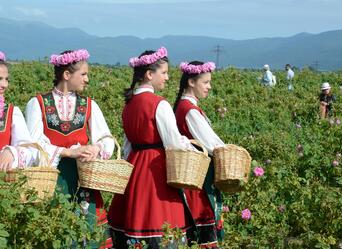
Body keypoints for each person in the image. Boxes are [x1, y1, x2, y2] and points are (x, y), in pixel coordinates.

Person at [25, 49, 115, 248]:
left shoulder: (89, 105)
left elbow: (107, 139)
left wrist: (96, 148)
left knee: (87, 231)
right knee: (54, 232)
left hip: (84, 177)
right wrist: (67, 152)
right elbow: (33, 144)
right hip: (51, 180)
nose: (87, 79)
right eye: (83, 74)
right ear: (67, 75)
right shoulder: (38, 103)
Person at [108, 47, 194, 249]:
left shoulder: (129, 104)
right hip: (156, 171)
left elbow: (127, 145)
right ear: (149, 74)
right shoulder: (159, 104)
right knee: (160, 222)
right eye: (163, 73)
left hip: (134, 169)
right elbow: (173, 143)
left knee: (135, 219)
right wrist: (190, 146)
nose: (167, 77)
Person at [173, 61, 225, 248]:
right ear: (191, 82)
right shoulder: (189, 110)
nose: (209, 87)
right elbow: (212, 144)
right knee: (202, 226)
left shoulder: (183, 106)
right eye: (206, 82)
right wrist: (228, 150)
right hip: (199, 180)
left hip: (193, 176)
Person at [0, 51, 40, 171]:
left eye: (6, 79)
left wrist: (11, 152)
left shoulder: (11, 113)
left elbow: (29, 150)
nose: (4, 84)